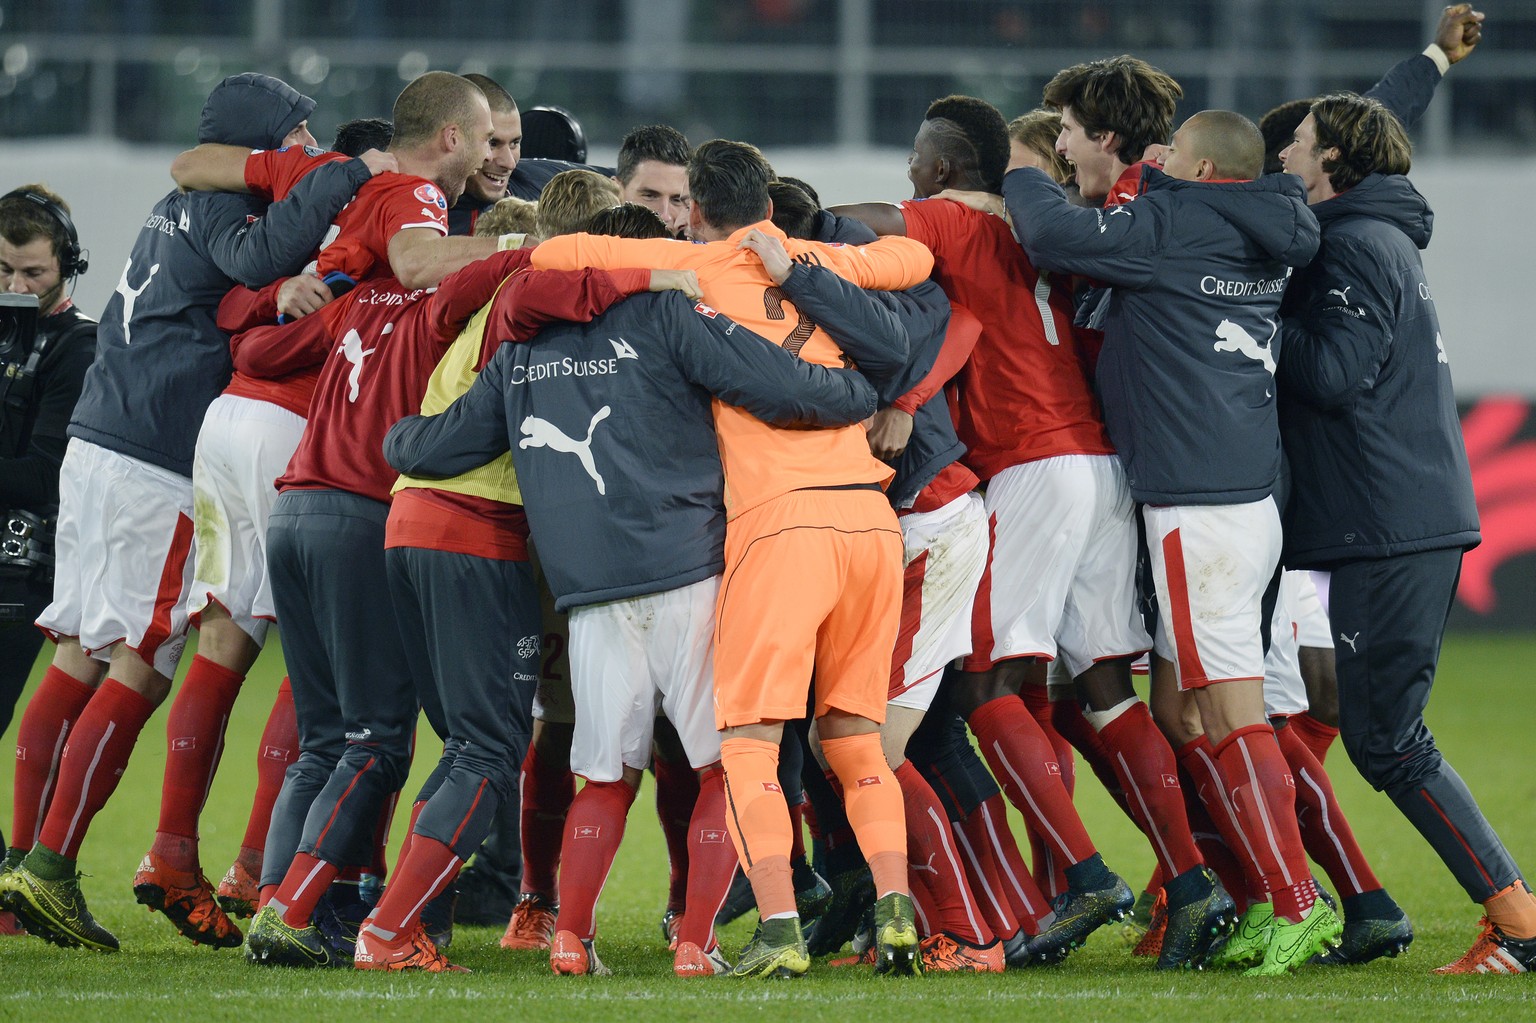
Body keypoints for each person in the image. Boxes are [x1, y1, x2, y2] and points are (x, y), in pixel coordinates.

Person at [531, 138, 934, 978]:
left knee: (746, 744)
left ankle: (779, 927)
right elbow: (915, 256)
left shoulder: (692, 263)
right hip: (869, 519)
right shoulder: (811, 259)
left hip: (778, 527)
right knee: (856, 739)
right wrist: (804, 258)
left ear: (698, 208)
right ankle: (898, 913)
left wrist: (657, 257)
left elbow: (555, 251)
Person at [0, 73, 377, 954]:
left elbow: (236, 283)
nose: (304, 144)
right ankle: (50, 866)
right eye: (295, 131)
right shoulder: (223, 204)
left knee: (77, 645)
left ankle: (23, 863)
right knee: (143, 656)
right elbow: (253, 263)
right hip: (155, 454)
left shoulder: (183, 197)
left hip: (103, 437)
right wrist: (342, 180)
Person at [1002, 102, 1333, 974]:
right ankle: (1271, 895)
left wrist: (1022, 165)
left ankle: (1300, 903)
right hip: (1246, 496)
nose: (1161, 164)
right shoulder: (1269, 227)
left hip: (1198, 501)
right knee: (1187, 707)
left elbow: (1050, 237)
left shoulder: (1177, 221)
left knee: (1230, 710)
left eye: (1175, 156)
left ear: (1204, 172)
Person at [830, 94, 1157, 964]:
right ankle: (1180, 879)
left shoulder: (944, 217)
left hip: (1028, 460)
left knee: (982, 689)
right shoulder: (1048, 222)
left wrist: (773, 231)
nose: (907, 172)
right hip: (1097, 457)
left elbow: (853, 222)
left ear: (940, 171)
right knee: (1085, 686)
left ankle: (1083, 876)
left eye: (914, 159)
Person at [1278, 90, 1536, 975]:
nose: (1285, 157)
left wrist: (1250, 315)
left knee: (1387, 738)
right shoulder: (1378, 237)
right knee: (1384, 733)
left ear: (1335, 161)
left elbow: (1331, 372)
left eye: (1300, 144)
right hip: (1392, 513)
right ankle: (1517, 915)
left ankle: (1520, 920)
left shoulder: (1351, 244)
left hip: (1387, 518)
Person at [0, 186, 97, 940]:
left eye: (31, 272)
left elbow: (42, 471)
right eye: (3, 271)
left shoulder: (80, 346)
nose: (16, 288)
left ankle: (17, 879)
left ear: (68, 264)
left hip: (25, 567)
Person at [612, 124, 692, 238]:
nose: (665, 216)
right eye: (650, 196)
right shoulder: (583, 249)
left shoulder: (705, 250)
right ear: (616, 192)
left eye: (677, 200)